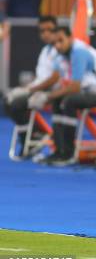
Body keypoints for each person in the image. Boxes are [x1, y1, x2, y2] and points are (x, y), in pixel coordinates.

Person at [34, 27, 96, 165]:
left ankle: (68, 153)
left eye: (61, 41)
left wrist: (47, 97)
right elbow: (60, 83)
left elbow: (75, 87)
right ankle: (59, 151)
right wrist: (45, 95)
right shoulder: (60, 56)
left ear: (70, 38)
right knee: (59, 100)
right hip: (93, 92)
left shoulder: (79, 53)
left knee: (70, 101)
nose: (57, 45)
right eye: (55, 43)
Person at [4, 16, 58, 155]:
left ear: (56, 30)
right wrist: (26, 88)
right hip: (40, 88)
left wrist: (30, 90)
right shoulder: (45, 51)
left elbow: (54, 79)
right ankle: (35, 135)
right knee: (8, 101)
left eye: (50, 30)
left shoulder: (61, 49)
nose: (46, 33)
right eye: (42, 31)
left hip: (54, 91)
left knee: (17, 104)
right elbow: (41, 77)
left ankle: (35, 135)